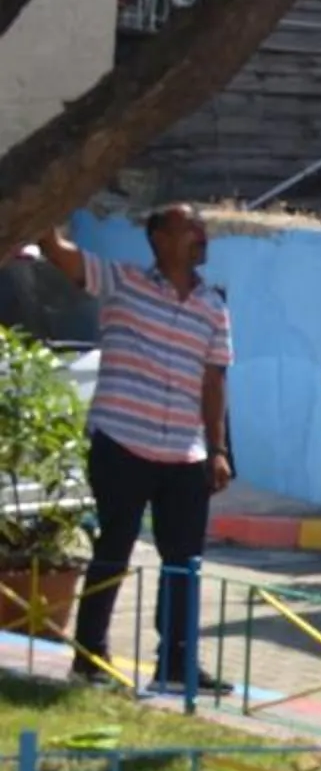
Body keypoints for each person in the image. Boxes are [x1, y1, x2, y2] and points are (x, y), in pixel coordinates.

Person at [23, 209, 234, 693]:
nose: (202, 236)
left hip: (184, 452)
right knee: (113, 550)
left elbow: (214, 380)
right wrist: (45, 208)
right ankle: (89, 657)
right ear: (159, 238)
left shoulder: (213, 306)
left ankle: (176, 663)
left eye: (202, 230)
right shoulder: (124, 282)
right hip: (122, 442)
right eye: (191, 229)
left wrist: (217, 449)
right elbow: (62, 255)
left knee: (184, 562)